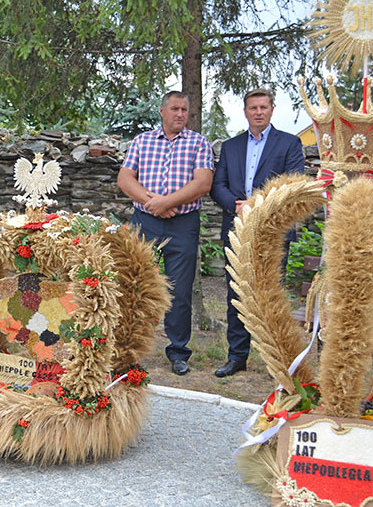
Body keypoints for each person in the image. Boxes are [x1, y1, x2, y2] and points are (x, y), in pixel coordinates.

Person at [117, 91, 214, 375]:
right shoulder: (142, 141)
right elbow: (125, 178)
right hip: (145, 221)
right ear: (162, 111)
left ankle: (178, 352)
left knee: (179, 290)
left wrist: (166, 202)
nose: (180, 114)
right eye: (174, 109)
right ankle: (127, 348)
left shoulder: (199, 143)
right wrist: (153, 203)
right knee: (134, 284)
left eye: (184, 109)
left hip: (183, 224)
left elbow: (203, 183)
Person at [209, 88, 304, 377]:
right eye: (253, 107)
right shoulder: (231, 146)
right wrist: (235, 206)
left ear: (272, 110)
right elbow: (217, 186)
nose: (258, 112)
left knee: (271, 297)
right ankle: (237, 357)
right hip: (237, 229)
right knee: (237, 295)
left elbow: (293, 184)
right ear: (246, 111)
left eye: (263, 107)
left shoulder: (289, 143)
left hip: (272, 233)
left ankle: (279, 364)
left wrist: (257, 205)